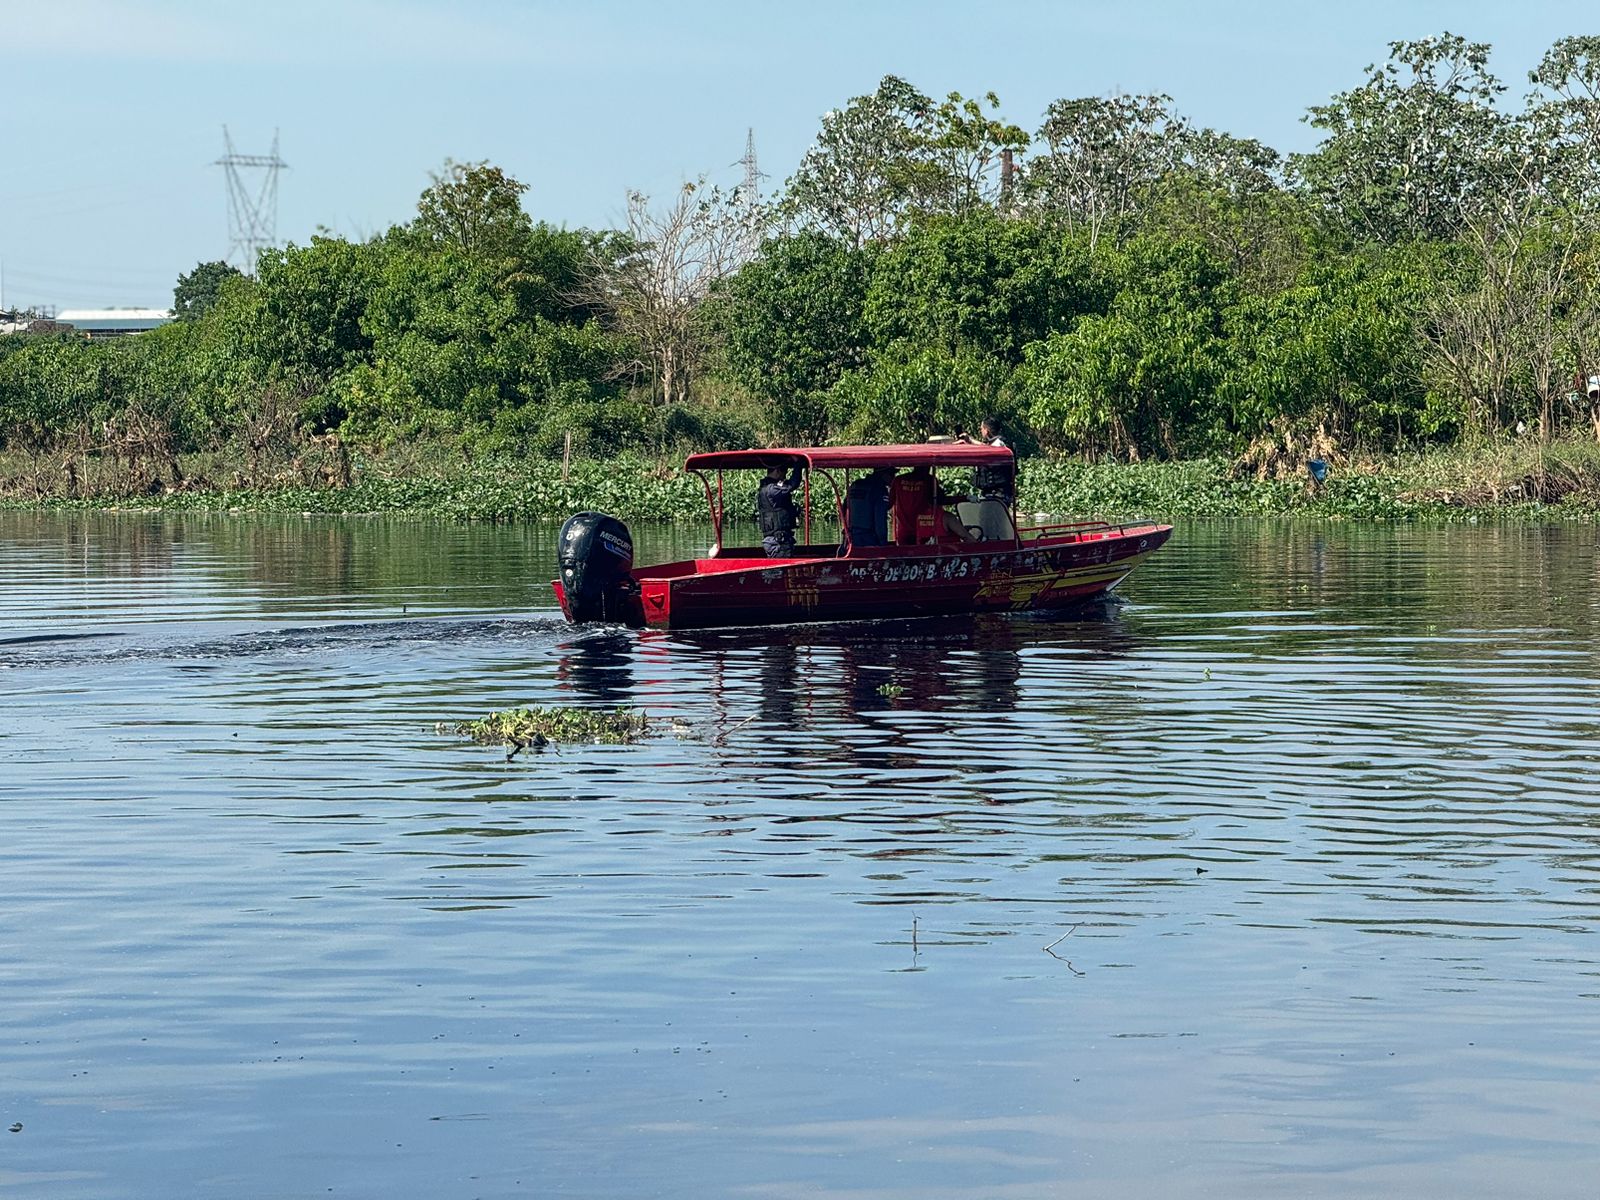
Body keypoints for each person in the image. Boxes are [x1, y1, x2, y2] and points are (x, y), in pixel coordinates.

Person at [959, 415, 1015, 505]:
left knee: (987, 519)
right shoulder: (996, 444)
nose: (980, 431)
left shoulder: (1000, 445)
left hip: (997, 496)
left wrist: (970, 445)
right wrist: (969, 440)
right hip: (991, 495)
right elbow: (985, 447)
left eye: (981, 428)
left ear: (986, 430)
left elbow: (987, 450)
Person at [755, 461, 805, 557]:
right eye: (784, 473)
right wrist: (798, 463)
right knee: (781, 571)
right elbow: (792, 485)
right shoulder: (772, 490)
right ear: (777, 471)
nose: (784, 477)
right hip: (778, 543)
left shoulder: (766, 488)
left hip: (774, 541)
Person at [846, 465, 893, 548]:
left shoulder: (855, 485)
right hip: (869, 539)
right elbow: (880, 519)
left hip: (851, 537)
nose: (893, 478)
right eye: (892, 474)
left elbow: (844, 508)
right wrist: (883, 544)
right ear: (884, 474)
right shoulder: (879, 490)